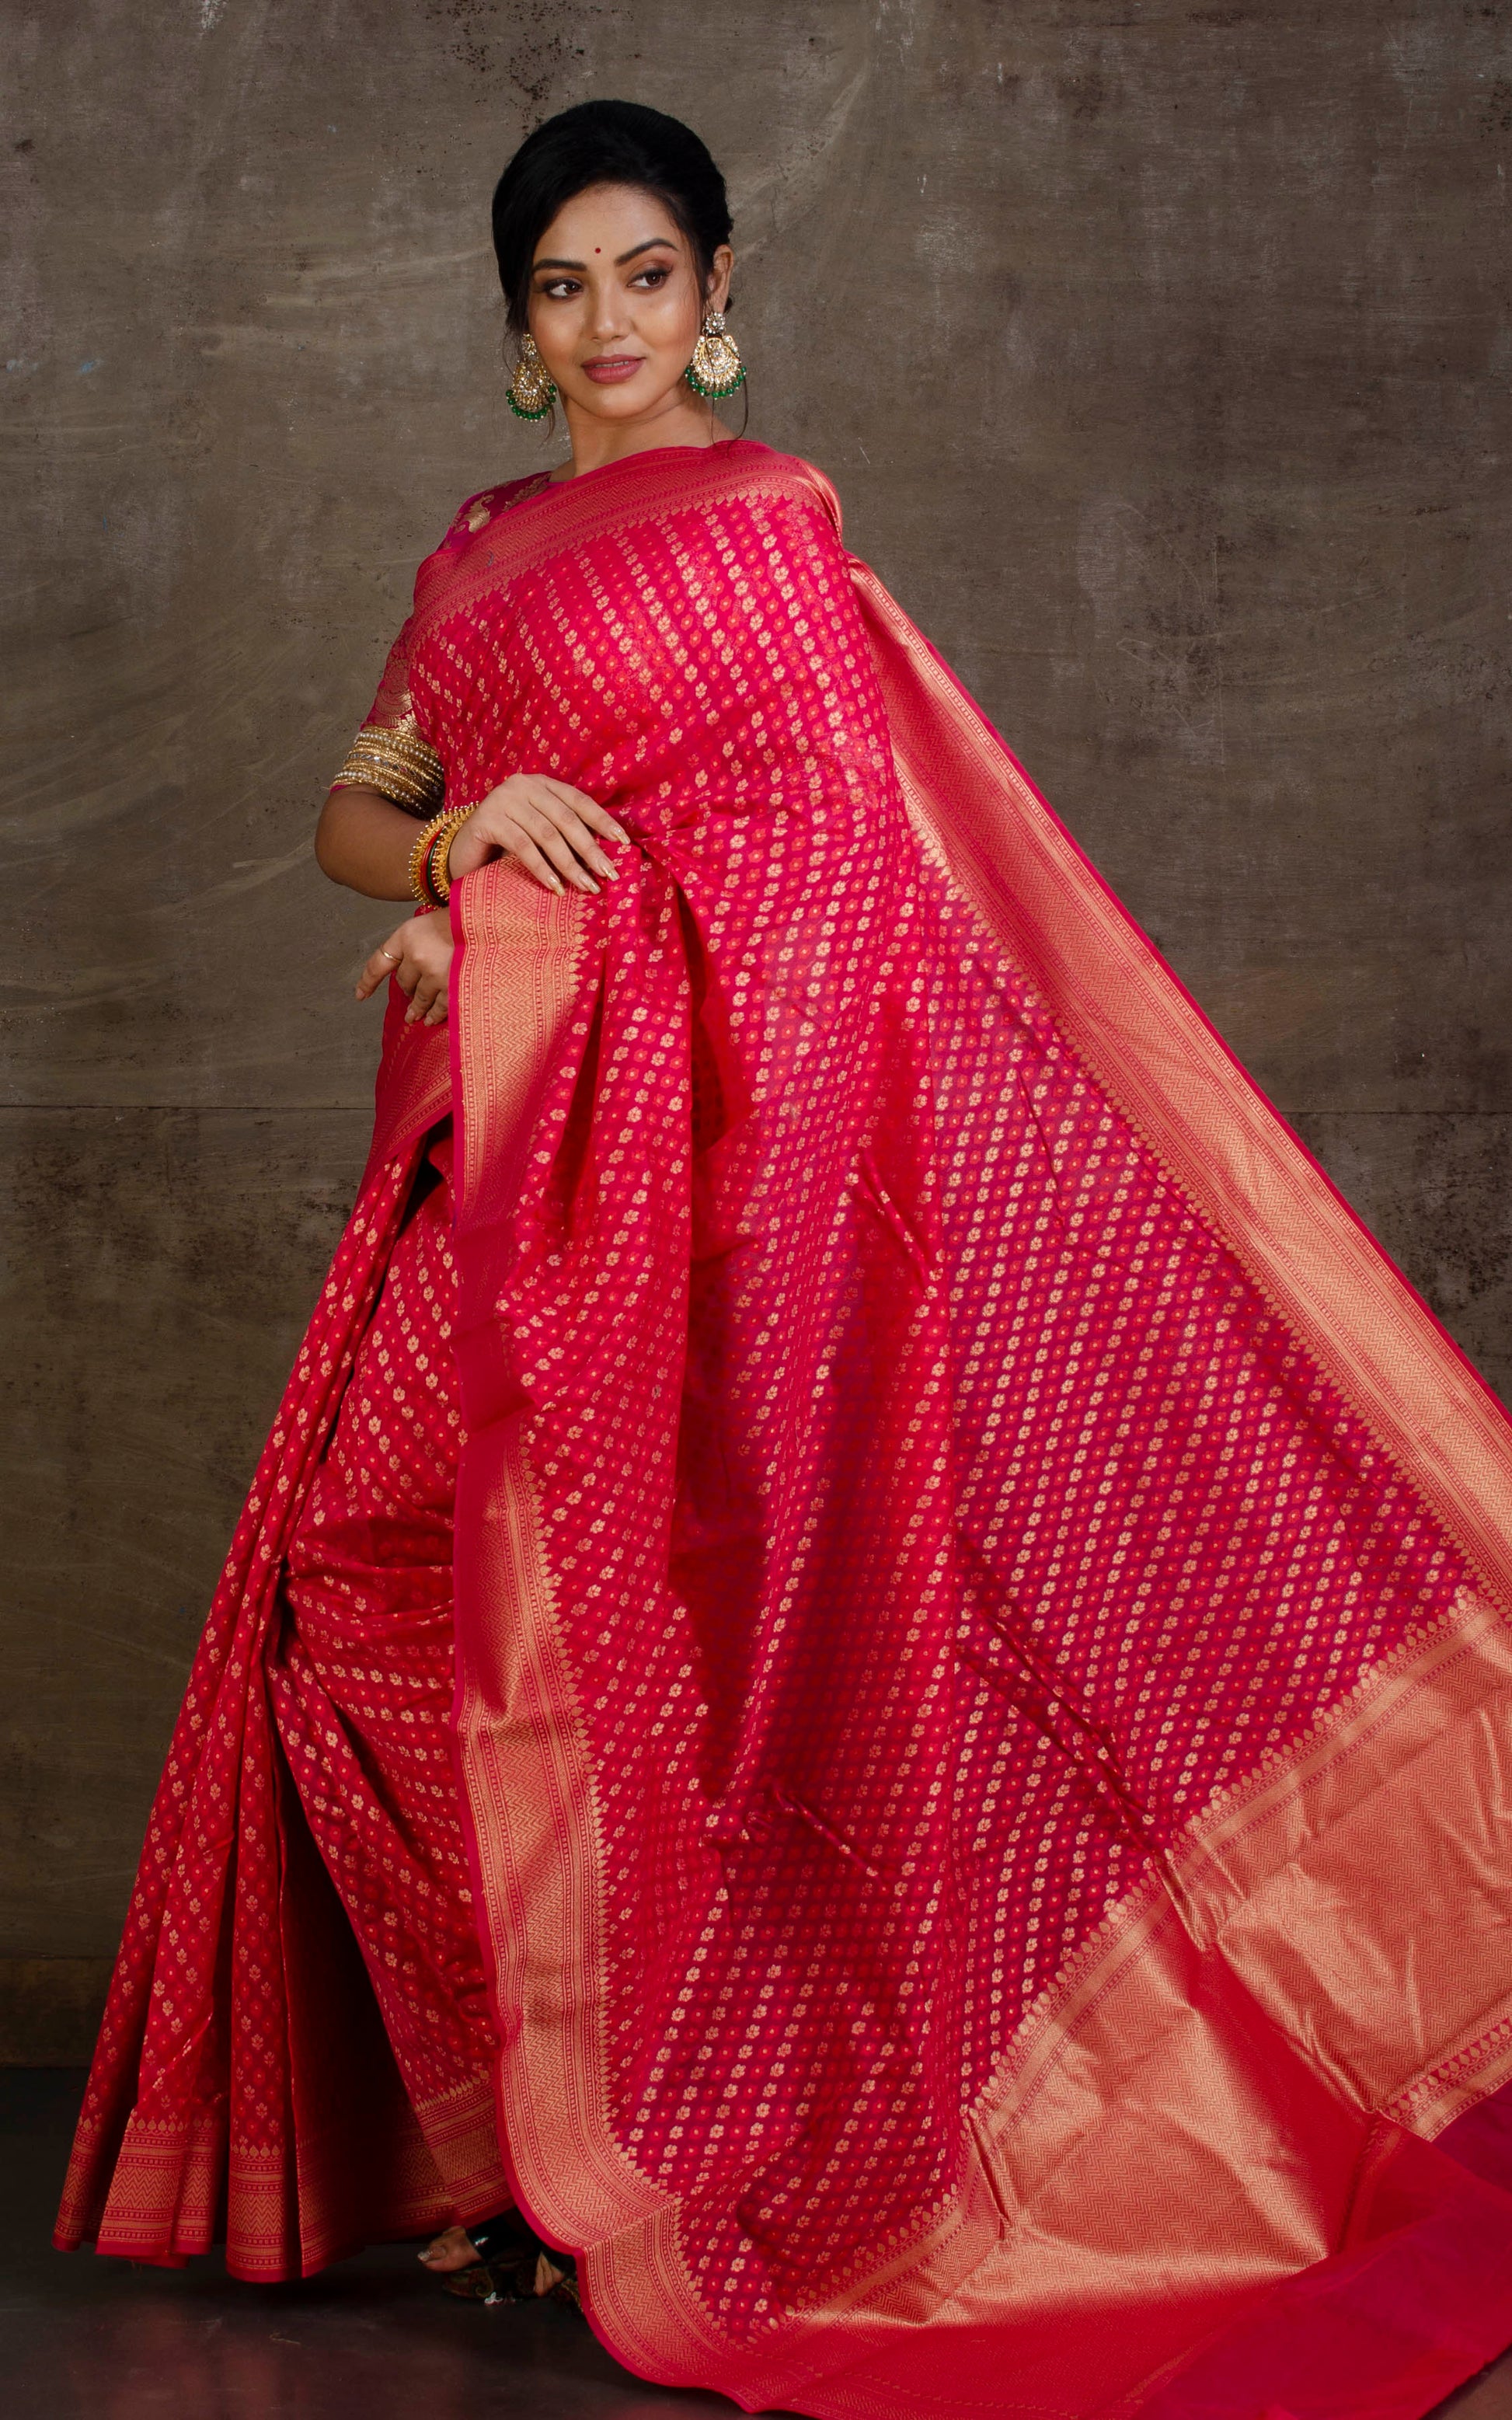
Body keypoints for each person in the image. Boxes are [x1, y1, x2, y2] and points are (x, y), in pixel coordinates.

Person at [55, 97, 1512, 2419]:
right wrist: (455, 870)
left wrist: (543, 912)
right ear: (517, 333)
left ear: (716, 294)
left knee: (651, 1652)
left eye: (647, 276)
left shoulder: (764, 533)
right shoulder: (475, 549)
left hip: (679, 1190)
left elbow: (821, 876)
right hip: (482, 1175)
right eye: (561, 286)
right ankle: (529, 2126)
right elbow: (361, 807)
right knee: (354, 1583)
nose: (606, 323)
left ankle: (618, 2158)